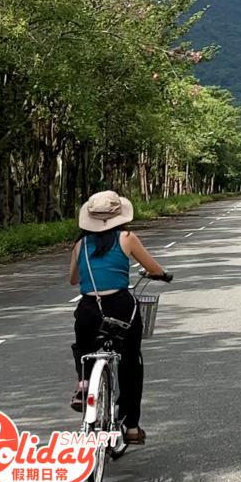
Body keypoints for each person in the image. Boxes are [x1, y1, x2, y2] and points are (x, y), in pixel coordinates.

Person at [69, 190, 170, 445]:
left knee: (83, 348)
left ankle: (84, 383)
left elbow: (73, 279)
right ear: (118, 216)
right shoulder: (127, 237)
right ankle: (133, 428)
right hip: (121, 307)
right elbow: (153, 268)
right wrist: (160, 275)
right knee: (130, 363)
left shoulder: (80, 245)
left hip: (89, 309)